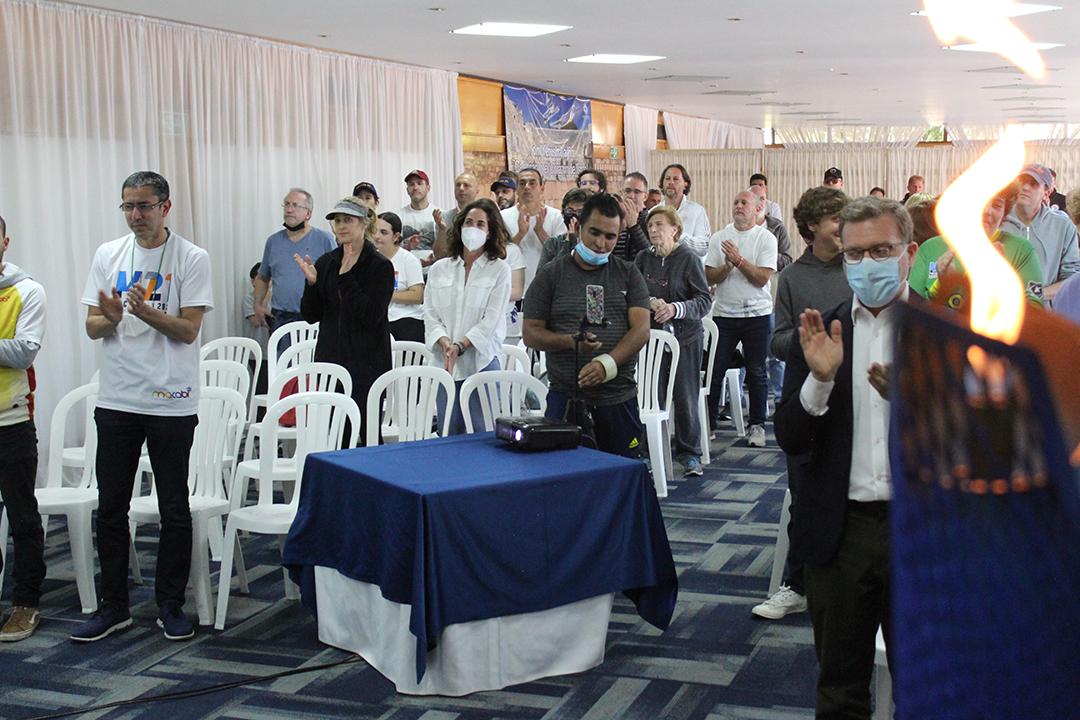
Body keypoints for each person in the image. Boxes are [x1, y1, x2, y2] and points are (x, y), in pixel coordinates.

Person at [774, 196, 917, 719]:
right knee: (839, 689)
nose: (866, 263)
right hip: (840, 534)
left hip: (919, 532)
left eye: (881, 250)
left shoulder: (944, 333)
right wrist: (820, 380)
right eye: (854, 254)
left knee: (926, 688)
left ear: (909, 253)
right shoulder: (821, 332)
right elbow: (790, 437)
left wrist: (920, 404)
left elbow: (982, 447)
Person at [75, 171, 213, 642]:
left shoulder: (191, 257)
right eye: (128, 206)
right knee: (111, 506)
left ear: (165, 207)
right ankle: (113, 606)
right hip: (117, 397)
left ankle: (169, 605)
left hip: (171, 399)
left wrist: (146, 312)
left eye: (145, 206)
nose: (135, 215)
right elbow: (92, 326)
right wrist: (111, 317)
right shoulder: (107, 255)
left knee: (174, 507)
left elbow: (189, 330)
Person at [753, 186, 852, 622]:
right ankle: (796, 585)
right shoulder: (793, 276)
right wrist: (812, 341)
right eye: (836, 219)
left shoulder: (859, 268)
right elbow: (775, 341)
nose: (844, 228)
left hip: (854, 397)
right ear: (812, 225)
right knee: (805, 496)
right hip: (807, 399)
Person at [523, 193, 651, 458]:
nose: (601, 243)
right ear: (579, 227)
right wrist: (570, 342)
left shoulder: (628, 273)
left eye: (610, 237)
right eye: (594, 232)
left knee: (620, 473)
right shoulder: (551, 274)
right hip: (565, 398)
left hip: (618, 397)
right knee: (567, 475)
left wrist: (607, 364)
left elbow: (641, 330)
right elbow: (530, 333)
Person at [297, 197, 393, 444]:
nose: (341, 226)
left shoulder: (380, 266)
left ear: (364, 223)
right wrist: (311, 285)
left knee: (369, 436)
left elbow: (371, 315)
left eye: (347, 220)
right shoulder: (326, 262)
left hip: (368, 364)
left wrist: (347, 278)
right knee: (336, 436)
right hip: (332, 361)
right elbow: (311, 315)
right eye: (337, 221)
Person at [635, 205, 712, 476]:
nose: (653, 230)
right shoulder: (643, 258)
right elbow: (632, 293)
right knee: (650, 397)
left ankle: (689, 454)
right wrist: (650, 301)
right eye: (650, 225)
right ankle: (647, 452)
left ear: (675, 229)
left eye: (659, 224)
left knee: (685, 396)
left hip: (685, 338)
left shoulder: (688, 258)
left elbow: (704, 300)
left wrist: (676, 308)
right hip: (651, 341)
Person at [424, 198, 511, 435]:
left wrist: (461, 345)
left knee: (483, 433)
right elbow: (430, 313)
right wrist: (444, 342)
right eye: (469, 222)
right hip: (446, 363)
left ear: (490, 231)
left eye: (480, 224)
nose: (473, 228)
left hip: (481, 362)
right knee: (448, 433)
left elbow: (491, 320)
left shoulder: (499, 270)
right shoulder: (439, 269)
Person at [0, 213, 47, 642]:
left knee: (22, 519)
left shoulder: (27, 290)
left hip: (10, 421)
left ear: (5, 243)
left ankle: (26, 603)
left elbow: (23, 352)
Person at [704, 190, 777, 448]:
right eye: (735, 202)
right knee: (715, 371)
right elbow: (709, 277)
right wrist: (727, 266)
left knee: (756, 371)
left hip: (757, 315)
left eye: (744, 202)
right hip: (724, 314)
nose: (738, 206)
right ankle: (709, 424)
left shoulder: (766, 238)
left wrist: (739, 260)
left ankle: (756, 426)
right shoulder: (719, 237)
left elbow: (761, 279)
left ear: (757, 209)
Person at [909, 184, 1044, 308]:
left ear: (1004, 214)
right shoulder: (930, 248)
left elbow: (1035, 311)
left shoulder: (1021, 250)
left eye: (997, 205)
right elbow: (911, 311)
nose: (987, 211)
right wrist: (941, 286)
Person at [253, 188, 335, 353]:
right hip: (281, 318)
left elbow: (336, 278)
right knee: (283, 365)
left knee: (313, 365)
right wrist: (258, 304)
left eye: (296, 205)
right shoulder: (273, 241)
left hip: (314, 318)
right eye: (287, 204)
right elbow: (263, 277)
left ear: (308, 213)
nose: (289, 210)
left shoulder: (324, 239)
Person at [1002, 163, 1080, 302]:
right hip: (1002, 308)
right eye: (1022, 181)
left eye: (1034, 184)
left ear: (1047, 193)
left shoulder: (1063, 226)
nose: (1025, 187)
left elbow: (1072, 278)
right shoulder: (999, 221)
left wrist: (1035, 294)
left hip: (1044, 311)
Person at [501, 168, 567, 291]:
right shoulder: (503, 217)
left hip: (546, 288)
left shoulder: (557, 217)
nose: (527, 187)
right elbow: (500, 255)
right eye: (522, 183)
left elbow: (561, 256)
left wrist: (540, 231)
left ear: (542, 188)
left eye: (532, 183)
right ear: (516, 189)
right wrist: (520, 234)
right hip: (514, 288)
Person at [371, 212, 425, 342]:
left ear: (395, 237)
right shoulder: (370, 260)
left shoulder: (408, 260)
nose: (377, 236)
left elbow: (418, 296)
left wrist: (386, 295)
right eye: (374, 231)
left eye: (383, 232)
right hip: (379, 320)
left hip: (406, 320)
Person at [659, 163, 711, 256]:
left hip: (688, 264)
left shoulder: (697, 211)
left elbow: (704, 247)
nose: (671, 182)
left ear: (685, 184)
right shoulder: (653, 212)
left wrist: (678, 236)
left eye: (675, 179)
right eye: (667, 178)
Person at [538, 188, 591, 269]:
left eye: (580, 212)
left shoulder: (596, 245)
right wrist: (567, 244)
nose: (574, 218)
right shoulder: (553, 244)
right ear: (563, 213)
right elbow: (543, 275)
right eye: (569, 211)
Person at [398, 169, 439, 265]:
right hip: (406, 270)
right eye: (411, 184)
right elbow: (393, 249)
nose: (415, 187)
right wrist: (408, 246)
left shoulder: (440, 214)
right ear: (407, 190)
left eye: (419, 183)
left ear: (428, 188)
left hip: (434, 270)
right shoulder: (398, 216)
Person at [433, 172, 479, 258]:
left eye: (466, 185)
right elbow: (439, 255)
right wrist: (442, 230)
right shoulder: (443, 218)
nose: (461, 188)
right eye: (458, 185)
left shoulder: (484, 217)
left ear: (477, 190)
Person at [749, 184, 793, 271]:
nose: (759, 203)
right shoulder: (737, 228)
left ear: (766, 202)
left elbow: (787, 262)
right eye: (754, 198)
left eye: (762, 199)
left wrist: (767, 253)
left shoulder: (778, 228)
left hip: (772, 277)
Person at [241, 262, 270, 396]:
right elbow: (257, 321)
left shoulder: (278, 298)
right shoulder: (249, 298)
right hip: (258, 352)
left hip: (276, 351)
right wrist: (265, 298)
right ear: (253, 282)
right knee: (261, 390)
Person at [614, 171, 651, 261]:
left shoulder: (651, 220)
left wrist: (633, 226)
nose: (631, 196)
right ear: (621, 193)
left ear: (645, 196)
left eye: (637, 192)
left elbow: (651, 256)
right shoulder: (614, 219)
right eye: (627, 191)